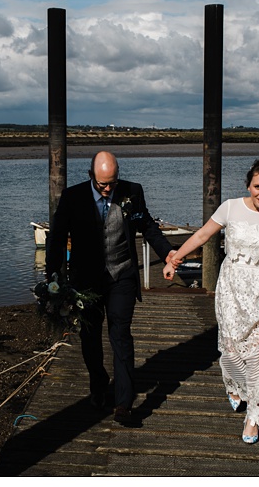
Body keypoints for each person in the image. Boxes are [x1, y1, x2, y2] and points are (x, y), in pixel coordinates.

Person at [162, 159, 259, 444]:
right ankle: (237, 388)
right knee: (232, 353)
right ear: (248, 184)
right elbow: (202, 235)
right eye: (258, 186)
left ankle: (254, 418)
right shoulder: (231, 207)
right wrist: (176, 257)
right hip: (231, 292)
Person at [44, 151, 174, 425]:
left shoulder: (132, 191)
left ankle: (123, 403)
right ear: (91, 176)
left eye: (112, 183)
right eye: (102, 184)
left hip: (121, 274)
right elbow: (56, 238)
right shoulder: (72, 197)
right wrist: (53, 279)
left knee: (121, 333)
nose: (107, 189)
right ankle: (98, 383)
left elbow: (146, 225)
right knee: (90, 338)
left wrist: (168, 254)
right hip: (86, 279)